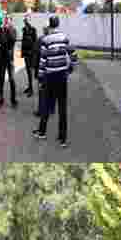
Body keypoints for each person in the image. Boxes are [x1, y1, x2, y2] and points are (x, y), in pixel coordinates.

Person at [33, 16, 78, 148]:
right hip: (62, 77)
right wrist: (70, 69)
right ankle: (62, 139)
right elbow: (73, 54)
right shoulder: (65, 38)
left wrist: (40, 78)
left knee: (46, 105)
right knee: (62, 108)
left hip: (49, 77)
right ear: (58, 24)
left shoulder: (46, 40)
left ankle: (42, 132)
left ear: (49, 26)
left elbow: (42, 61)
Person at [0, 16, 18, 108]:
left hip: (10, 59)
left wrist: (7, 30)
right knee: (1, 79)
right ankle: (1, 99)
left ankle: (13, 99)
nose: (5, 22)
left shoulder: (13, 30)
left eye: (7, 21)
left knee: (12, 79)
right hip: (2, 58)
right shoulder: (2, 30)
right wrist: (1, 31)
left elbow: (12, 40)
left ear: (11, 22)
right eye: (5, 21)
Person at [21, 16, 38, 97]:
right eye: (25, 20)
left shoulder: (33, 29)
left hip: (31, 54)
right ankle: (29, 87)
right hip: (26, 53)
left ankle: (31, 89)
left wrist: (33, 52)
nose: (25, 21)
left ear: (30, 21)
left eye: (27, 20)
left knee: (30, 71)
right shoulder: (24, 29)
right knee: (28, 71)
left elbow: (35, 42)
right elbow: (23, 42)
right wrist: (22, 53)